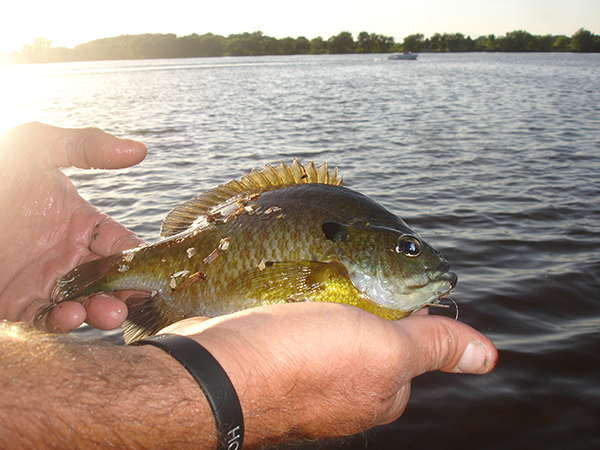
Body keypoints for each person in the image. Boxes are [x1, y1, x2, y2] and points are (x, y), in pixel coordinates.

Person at [0, 122, 497, 450]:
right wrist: (239, 385)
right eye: (408, 248)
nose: (423, 261)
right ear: (357, 245)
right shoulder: (332, 263)